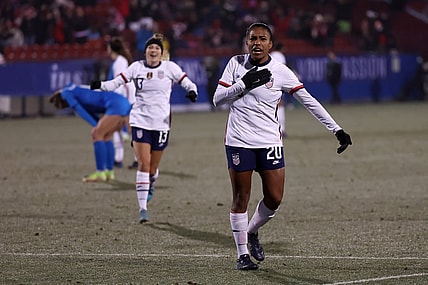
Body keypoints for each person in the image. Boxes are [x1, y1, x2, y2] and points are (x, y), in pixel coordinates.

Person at [213, 22, 352, 271]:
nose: (257, 43)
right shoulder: (235, 64)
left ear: (270, 44)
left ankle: (252, 231)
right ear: (247, 42)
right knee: (240, 197)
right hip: (239, 142)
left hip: (269, 142)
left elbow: (309, 101)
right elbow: (217, 99)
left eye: (262, 39)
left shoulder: (281, 71)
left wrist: (337, 129)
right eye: (252, 38)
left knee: (275, 198)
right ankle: (242, 254)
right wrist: (244, 84)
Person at [90, 35, 199, 223]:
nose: (153, 51)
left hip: (162, 123)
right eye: (150, 48)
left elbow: (188, 82)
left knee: (152, 169)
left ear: (161, 52)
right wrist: (100, 86)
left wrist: (192, 91)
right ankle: (143, 209)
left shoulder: (170, 68)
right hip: (140, 121)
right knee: (143, 164)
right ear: (146, 51)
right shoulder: (136, 67)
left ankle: (151, 183)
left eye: (157, 48)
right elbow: (116, 83)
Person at [49, 84, 131, 182]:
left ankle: (100, 173)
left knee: (97, 135)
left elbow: (78, 109)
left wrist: (95, 125)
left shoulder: (66, 93)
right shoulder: (75, 89)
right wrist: (97, 123)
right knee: (106, 136)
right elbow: (91, 110)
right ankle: (109, 173)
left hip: (115, 104)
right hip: (121, 101)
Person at [106, 36, 136, 169]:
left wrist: (119, 101)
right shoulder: (120, 61)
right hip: (124, 99)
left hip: (125, 100)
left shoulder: (120, 61)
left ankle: (138, 158)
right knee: (116, 128)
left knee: (130, 130)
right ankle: (118, 159)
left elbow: (122, 82)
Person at [270, 42, 287, 137]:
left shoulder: (271, 55)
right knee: (280, 105)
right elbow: (282, 70)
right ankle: (281, 130)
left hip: (268, 83)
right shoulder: (280, 56)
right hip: (278, 83)